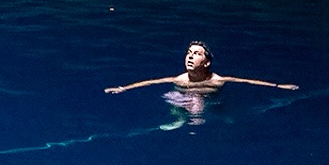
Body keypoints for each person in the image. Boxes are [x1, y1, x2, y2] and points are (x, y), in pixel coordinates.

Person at [104, 41, 298, 95]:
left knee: (197, 104)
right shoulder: (179, 79)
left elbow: (247, 81)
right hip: (184, 95)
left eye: (197, 53)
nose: (190, 56)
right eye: (189, 52)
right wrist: (124, 88)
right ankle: (179, 120)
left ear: (207, 62)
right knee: (174, 98)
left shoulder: (217, 80)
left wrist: (278, 86)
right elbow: (151, 82)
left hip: (210, 98)